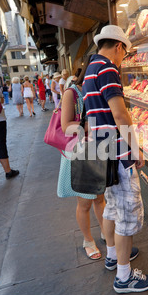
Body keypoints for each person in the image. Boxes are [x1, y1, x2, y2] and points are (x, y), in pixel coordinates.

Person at [82, 25, 148, 293]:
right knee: (127, 213)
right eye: (125, 52)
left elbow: (93, 117)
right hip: (118, 153)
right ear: (119, 47)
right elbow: (121, 115)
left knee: (113, 207)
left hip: (103, 151)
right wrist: (136, 151)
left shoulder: (91, 68)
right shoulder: (108, 69)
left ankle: (113, 256)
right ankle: (124, 278)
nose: (123, 58)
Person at [58, 56, 106, 260]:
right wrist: (91, 125)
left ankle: (106, 232)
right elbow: (65, 126)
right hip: (79, 152)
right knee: (85, 201)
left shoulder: (100, 91)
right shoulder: (72, 93)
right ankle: (88, 240)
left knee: (100, 198)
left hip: (100, 148)